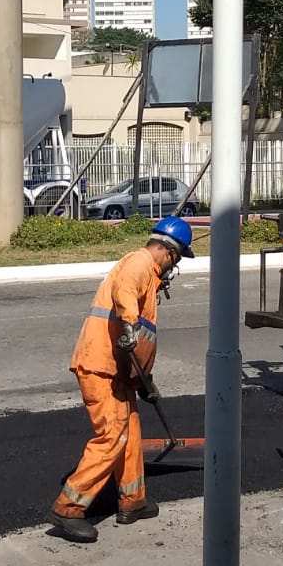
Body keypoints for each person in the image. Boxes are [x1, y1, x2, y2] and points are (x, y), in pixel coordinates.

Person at [50, 215, 194, 543]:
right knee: (112, 437)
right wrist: (129, 325)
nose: (174, 268)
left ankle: (133, 501)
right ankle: (68, 507)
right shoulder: (139, 263)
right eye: (177, 259)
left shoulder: (149, 275)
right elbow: (123, 291)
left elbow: (142, 341)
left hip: (120, 371)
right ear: (169, 252)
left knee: (129, 432)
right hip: (101, 366)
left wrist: (144, 382)